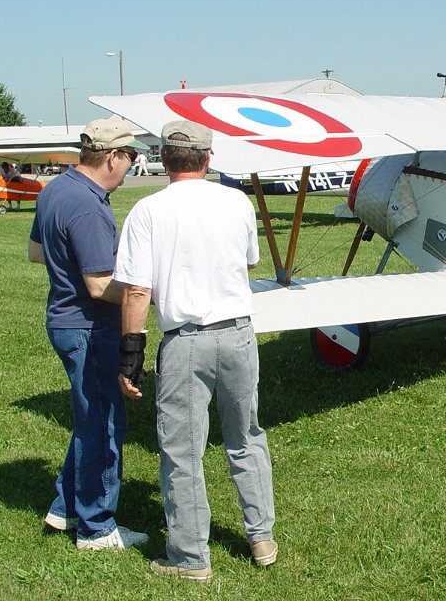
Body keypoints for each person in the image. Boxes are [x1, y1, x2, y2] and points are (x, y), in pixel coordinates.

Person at [115, 119, 276, 582]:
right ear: (208, 158)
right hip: (239, 333)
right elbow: (249, 261)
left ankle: (190, 557)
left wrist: (130, 356)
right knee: (246, 436)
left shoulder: (148, 210)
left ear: (164, 159)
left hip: (186, 341)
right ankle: (261, 536)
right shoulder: (237, 201)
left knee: (182, 451)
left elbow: (136, 291)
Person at [27, 119, 148, 551]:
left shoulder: (56, 189)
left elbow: (36, 252)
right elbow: (99, 286)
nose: (132, 166)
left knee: (89, 419)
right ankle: (96, 527)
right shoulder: (88, 206)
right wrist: (145, 296)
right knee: (103, 425)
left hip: (65, 320)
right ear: (112, 156)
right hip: (90, 328)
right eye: (131, 157)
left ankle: (66, 508)